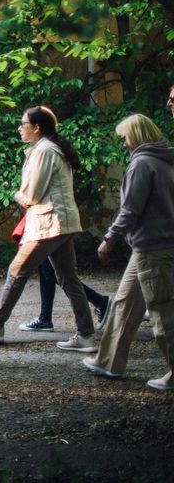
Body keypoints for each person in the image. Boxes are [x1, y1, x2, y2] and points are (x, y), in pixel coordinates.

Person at [0, 106, 98, 351]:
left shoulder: (44, 151)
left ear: (37, 128)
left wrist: (17, 195)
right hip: (59, 221)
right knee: (68, 278)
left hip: (49, 223)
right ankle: (86, 334)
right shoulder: (50, 149)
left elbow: (32, 194)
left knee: (17, 269)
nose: (19, 128)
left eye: (23, 124)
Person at [81, 114, 174, 391]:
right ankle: (108, 361)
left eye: (124, 138)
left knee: (162, 311)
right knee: (123, 303)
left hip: (152, 247)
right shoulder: (165, 160)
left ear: (136, 135)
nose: (123, 144)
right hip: (152, 245)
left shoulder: (142, 165)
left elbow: (130, 210)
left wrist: (109, 238)